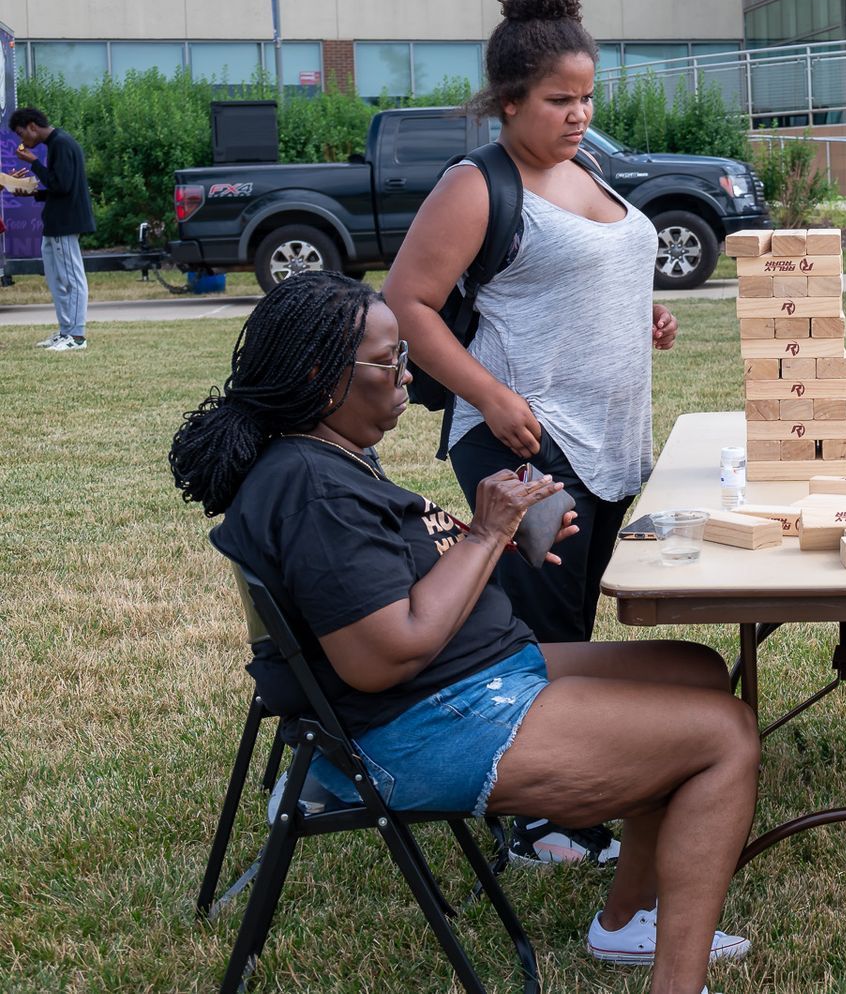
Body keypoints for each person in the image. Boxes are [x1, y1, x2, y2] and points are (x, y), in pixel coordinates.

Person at [167, 273, 757, 988]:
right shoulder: (311, 489)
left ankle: (625, 920)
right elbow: (383, 656)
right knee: (722, 736)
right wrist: (483, 534)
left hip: (471, 680)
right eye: (389, 361)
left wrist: (501, 542)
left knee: (696, 670)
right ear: (323, 378)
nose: (407, 375)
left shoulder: (328, 460)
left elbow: (395, 580)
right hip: (421, 722)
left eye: (403, 355)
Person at [384, 0, 679, 864]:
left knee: (576, 625)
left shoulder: (582, 169)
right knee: (541, 635)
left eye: (587, 97)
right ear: (508, 100)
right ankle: (535, 819)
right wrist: (488, 394)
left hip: (608, 439)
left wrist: (643, 314)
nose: (579, 114)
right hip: (524, 436)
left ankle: (564, 791)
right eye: (560, 100)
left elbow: (583, 273)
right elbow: (407, 304)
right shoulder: (479, 183)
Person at [8, 107, 94, 351]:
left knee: (72, 278)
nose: (22, 140)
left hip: (65, 222)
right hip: (56, 222)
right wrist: (33, 192)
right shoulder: (57, 143)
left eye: (21, 133)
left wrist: (34, 163)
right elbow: (59, 186)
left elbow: (61, 185)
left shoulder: (61, 143)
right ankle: (66, 331)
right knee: (57, 279)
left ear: (32, 126)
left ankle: (77, 336)